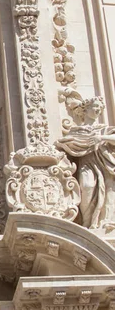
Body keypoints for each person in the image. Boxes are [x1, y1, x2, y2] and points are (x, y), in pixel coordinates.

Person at [56, 91, 115, 230]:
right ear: (85, 109)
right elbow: (67, 143)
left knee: (109, 190)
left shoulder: (103, 129)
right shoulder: (77, 131)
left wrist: (101, 138)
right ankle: (88, 223)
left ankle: (103, 221)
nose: (97, 110)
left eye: (99, 108)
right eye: (95, 106)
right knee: (87, 186)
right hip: (87, 163)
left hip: (104, 163)